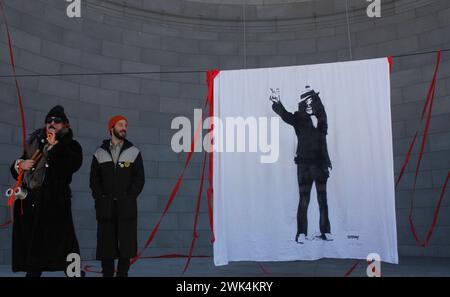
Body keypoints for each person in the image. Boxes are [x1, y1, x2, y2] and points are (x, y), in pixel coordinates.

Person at [9, 105, 82, 276]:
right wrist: (21, 165)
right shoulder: (35, 143)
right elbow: (15, 169)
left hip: (55, 204)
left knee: (66, 248)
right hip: (32, 204)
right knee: (34, 248)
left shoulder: (70, 145)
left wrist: (54, 147)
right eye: (49, 120)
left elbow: (71, 165)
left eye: (57, 121)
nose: (52, 123)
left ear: (66, 125)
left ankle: (75, 274)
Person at [270, 86, 332, 244]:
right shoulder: (299, 118)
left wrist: (327, 162)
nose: (310, 104)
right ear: (302, 104)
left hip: (320, 166)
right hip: (304, 166)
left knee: (322, 200)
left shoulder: (322, 119)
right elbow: (285, 115)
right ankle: (301, 233)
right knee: (304, 200)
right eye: (307, 101)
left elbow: (323, 142)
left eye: (312, 100)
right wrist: (277, 102)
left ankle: (326, 231)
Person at [90, 115, 145, 277]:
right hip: (105, 207)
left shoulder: (134, 152)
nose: (124, 128)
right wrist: (100, 197)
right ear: (111, 127)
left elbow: (139, 178)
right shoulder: (99, 153)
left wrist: (129, 196)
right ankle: (107, 274)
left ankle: (122, 274)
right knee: (106, 245)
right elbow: (94, 180)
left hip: (125, 206)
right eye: (120, 124)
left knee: (126, 244)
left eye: (126, 125)